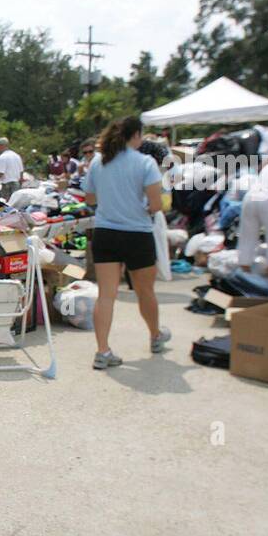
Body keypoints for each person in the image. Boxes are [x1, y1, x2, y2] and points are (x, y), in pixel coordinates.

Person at [84, 116, 170, 370]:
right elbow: (156, 204)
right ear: (135, 135)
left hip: (105, 233)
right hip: (138, 233)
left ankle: (103, 351)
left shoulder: (98, 162)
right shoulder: (145, 163)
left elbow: (90, 199)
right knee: (145, 291)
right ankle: (155, 335)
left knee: (106, 295)